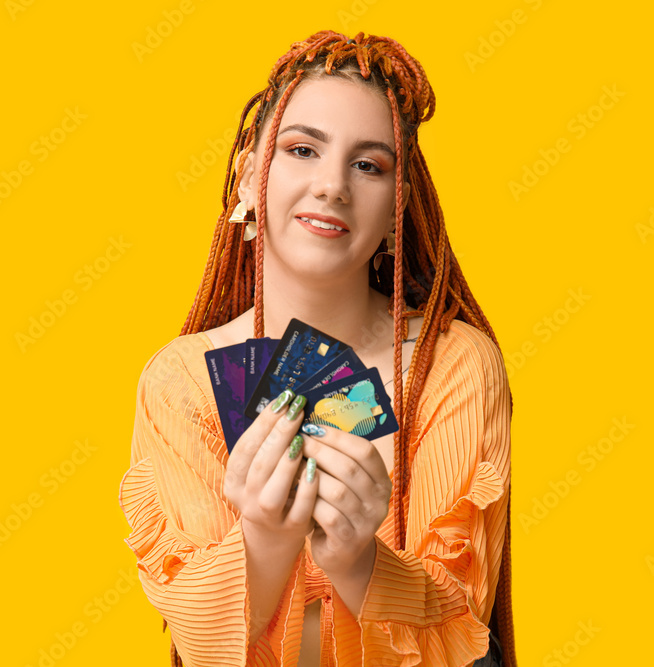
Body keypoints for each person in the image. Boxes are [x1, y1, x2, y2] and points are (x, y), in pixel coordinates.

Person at [119, 30, 515, 666]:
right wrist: (265, 541)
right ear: (249, 177)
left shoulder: (454, 365)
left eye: (369, 165)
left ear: (397, 208)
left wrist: (361, 561)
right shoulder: (181, 382)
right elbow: (195, 640)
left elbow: (460, 633)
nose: (333, 185)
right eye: (302, 149)